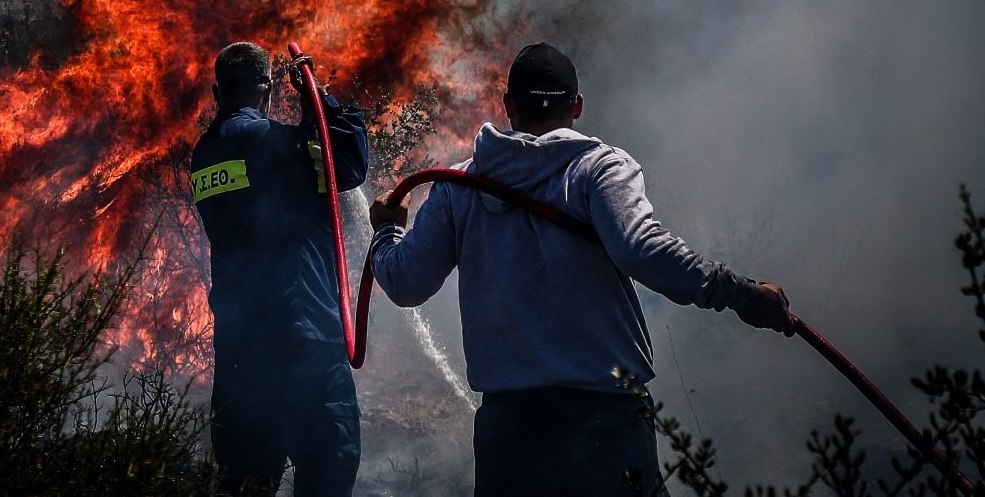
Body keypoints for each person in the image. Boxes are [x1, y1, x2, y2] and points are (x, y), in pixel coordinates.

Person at [368, 42, 793, 496]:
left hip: (511, 428)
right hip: (606, 416)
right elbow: (642, 249)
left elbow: (404, 283)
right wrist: (741, 294)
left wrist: (387, 232)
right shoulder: (601, 168)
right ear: (577, 106)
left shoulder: (459, 186)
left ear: (509, 105)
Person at [191, 42, 368, 496]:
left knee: (245, 482)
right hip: (302, 337)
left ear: (217, 92)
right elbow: (346, 160)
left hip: (240, 350)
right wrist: (317, 99)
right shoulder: (273, 143)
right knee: (329, 471)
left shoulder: (204, 155)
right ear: (268, 89)